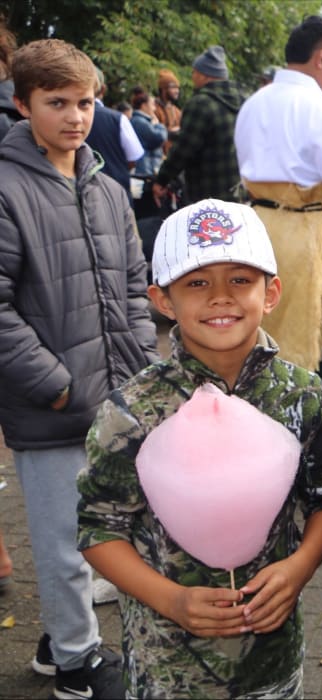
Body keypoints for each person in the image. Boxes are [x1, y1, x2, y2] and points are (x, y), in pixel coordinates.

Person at [77, 199, 322, 698]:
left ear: (271, 292)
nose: (221, 297)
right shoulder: (132, 411)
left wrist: (300, 566)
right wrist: (173, 600)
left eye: (240, 279)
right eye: (197, 283)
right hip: (167, 666)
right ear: (163, 300)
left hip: (272, 663)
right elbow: (97, 529)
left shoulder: (302, 396)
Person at [0, 38, 159, 699]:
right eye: (56, 102)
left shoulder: (105, 186)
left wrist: (144, 367)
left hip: (115, 397)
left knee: (103, 531)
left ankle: (56, 643)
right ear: (21, 104)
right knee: (63, 544)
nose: (74, 115)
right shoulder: (6, 189)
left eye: (85, 101)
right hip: (52, 407)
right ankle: (76, 669)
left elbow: (131, 284)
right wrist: (58, 384)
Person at [235, 14, 322, 429]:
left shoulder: (252, 105)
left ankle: (267, 434)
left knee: (262, 335)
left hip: (261, 231)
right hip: (313, 238)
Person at [153, 45, 247, 204]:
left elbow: (184, 149)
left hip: (207, 195)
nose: (193, 77)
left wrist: (162, 179)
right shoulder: (244, 101)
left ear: (205, 75)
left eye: (195, 72)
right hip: (240, 192)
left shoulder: (201, 104)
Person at [85, 67, 144, 202]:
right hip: (117, 195)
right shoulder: (117, 119)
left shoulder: (59, 119)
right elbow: (133, 157)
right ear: (103, 89)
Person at [128, 89, 167, 175]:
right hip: (145, 168)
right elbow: (159, 138)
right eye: (152, 104)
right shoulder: (140, 122)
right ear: (144, 105)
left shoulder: (141, 121)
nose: (155, 108)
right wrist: (159, 125)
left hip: (146, 166)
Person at [154, 68, 181, 154]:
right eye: (173, 87)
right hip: (157, 156)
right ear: (163, 89)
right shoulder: (153, 108)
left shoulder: (177, 111)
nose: (177, 91)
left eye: (177, 88)